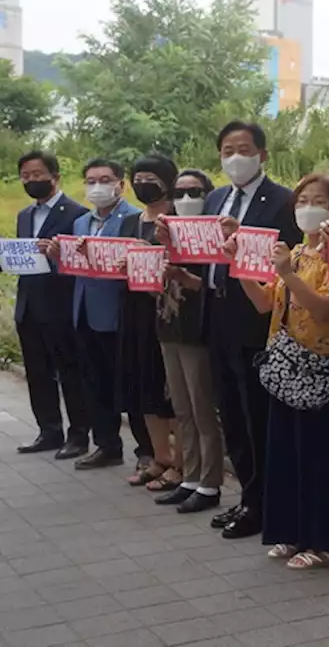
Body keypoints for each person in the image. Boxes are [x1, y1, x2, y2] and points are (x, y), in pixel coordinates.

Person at [157, 121, 303, 540]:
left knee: (257, 417)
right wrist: (175, 249)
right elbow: (206, 258)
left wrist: (246, 241)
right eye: (226, 150)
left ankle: (265, 504)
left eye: (243, 149)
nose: (234, 157)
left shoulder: (283, 201)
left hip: (257, 321)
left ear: (262, 154)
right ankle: (247, 499)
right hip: (215, 315)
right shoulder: (216, 198)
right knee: (232, 417)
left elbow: (285, 264)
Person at [230, 173, 329, 569]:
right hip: (285, 367)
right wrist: (241, 266)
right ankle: (290, 531)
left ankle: (326, 542)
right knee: (285, 453)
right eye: (302, 201)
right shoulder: (295, 253)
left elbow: (328, 310)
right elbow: (266, 304)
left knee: (321, 456)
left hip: (322, 369)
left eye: (319, 200)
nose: (308, 207)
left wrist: (286, 273)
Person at [51, 159, 149, 471]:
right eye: (91, 180)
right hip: (85, 311)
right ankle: (107, 445)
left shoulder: (134, 218)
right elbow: (73, 268)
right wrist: (57, 256)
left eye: (105, 179)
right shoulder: (82, 222)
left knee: (130, 385)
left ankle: (146, 451)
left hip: (120, 312)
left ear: (121, 184)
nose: (97, 187)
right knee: (95, 383)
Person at [154, 169, 225, 514]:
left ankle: (210, 483)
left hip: (199, 330)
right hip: (169, 326)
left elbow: (214, 284)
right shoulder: (167, 231)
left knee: (202, 410)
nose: (185, 199)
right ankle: (190, 477)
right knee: (182, 409)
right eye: (179, 192)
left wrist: (185, 276)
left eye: (194, 191)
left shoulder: (217, 234)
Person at [13, 151, 91, 458]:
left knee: (70, 372)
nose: (31, 180)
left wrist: (59, 256)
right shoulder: (24, 216)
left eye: (37, 174)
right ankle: (49, 430)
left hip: (61, 305)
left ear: (55, 176)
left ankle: (79, 435)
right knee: (37, 372)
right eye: (26, 176)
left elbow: (80, 263)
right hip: (29, 305)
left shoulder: (76, 214)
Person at [118, 154, 182, 492]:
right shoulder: (131, 221)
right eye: (138, 177)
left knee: (170, 392)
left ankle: (182, 463)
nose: (144, 183)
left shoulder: (178, 219)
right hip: (134, 313)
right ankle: (159, 459)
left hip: (168, 314)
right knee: (143, 388)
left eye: (151, 178)